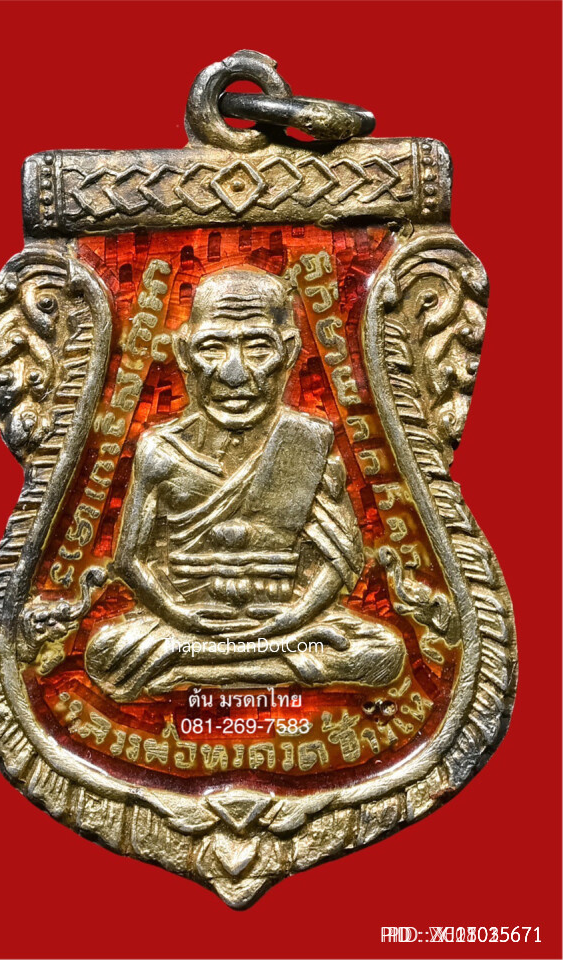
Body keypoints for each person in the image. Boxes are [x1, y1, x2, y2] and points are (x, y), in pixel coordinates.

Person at [85, 267, 406, 700]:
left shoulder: (305, 441)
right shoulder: (160, 450)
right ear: (184, 352)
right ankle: (261, 661)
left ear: (289, 351)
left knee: (384, 652)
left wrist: (293, 619)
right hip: (189, 623)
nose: (234, 375)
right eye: (212, 347)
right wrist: (178, 614)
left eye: (258, 348)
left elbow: (340, 562)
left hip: (285, 622)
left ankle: (198, 665)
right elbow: (128, 560)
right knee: (103, 651)